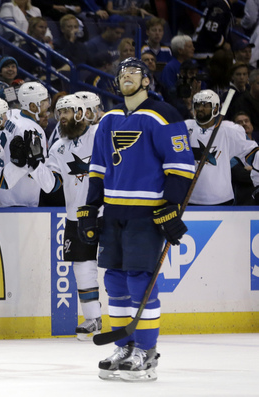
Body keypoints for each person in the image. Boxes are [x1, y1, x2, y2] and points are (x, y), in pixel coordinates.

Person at [77, 57, 195, 381]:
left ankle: (147, 351)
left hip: (147, 213)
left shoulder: (164, 114)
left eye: (134, 72)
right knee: (114, 280)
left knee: (139, 281)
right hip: (114, 212)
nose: (127, 76)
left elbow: (182, 166)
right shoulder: (110, 119)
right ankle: (124, 347)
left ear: (146, 81)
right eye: (122, 72)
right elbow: (98, 170)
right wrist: (90, 208)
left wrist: (169, 205)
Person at [32, 94, 103, 338]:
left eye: (68, 111)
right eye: (59, 112)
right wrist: (34, 165)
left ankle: (126, 313)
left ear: (82, 113)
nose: (62, 117)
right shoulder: (58, 147)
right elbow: (52, 186)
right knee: (82, 267)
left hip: (107, 212)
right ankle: (93, 317)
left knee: (118, 265)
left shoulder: (100, 135)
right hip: (76, 216)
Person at [186, 89, 259, 205]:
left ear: (215, 108)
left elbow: (254, 153)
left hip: (222, 200)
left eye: (205, 105)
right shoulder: (185, 128)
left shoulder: (230, 130)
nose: (200, 108)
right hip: (190, 199)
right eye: (197, 105)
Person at [0, 81, 51, 207]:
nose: (48, 105)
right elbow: (36, 170)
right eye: (44, 102)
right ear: (33, 106)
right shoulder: (34, 130)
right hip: (20, 199)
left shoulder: (10, 114)